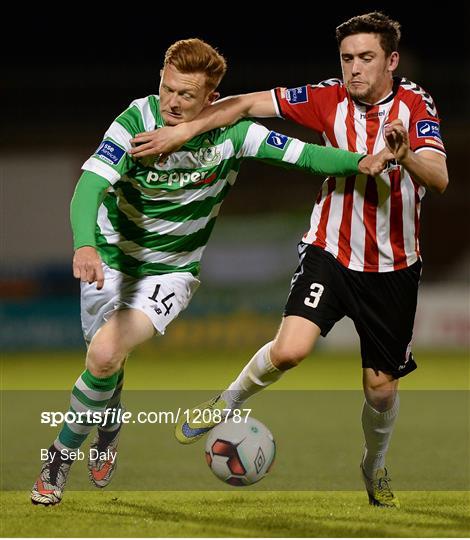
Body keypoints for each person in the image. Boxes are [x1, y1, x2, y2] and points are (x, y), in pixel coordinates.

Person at [30, 38, 388, 506]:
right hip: (112, 262)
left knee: (104, 355)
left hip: (170, 273)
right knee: (103, 365)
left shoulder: (232, 134)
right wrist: (83, 244)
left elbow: (304, 155)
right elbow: (90, 186)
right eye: (168, 89)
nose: (173, 102)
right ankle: (109, 420)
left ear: (211, 100)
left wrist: (360, 162)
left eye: (186, 95)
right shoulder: (136, 119)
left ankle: (58, 459)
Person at [129, 13, 449, 508]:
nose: (355, 69)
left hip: (394, 266)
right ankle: (226, 402)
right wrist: (181, 132)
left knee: (380, 389)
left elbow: (440, 178)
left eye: (366, 58)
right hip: (329, 249)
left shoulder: (415, 104)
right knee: (291, 350)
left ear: (391, 60)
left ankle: (374, 464)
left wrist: (404, 155)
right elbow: (244, 104)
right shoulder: (326, 97)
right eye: (347, 59)